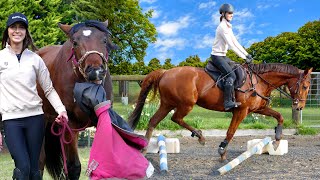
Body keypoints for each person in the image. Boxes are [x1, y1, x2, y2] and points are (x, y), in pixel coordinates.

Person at [0, 12, 69, 180]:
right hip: (11, 120)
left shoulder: (35, 59)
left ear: (26, 32)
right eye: (13, 27)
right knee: (22, 168)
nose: (17, 31)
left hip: (35, 119)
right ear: (8, 31)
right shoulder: (0, 58)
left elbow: (49, 89)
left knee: (34, 171)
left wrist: (61, 110)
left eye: (21, 28)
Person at [208, 3, 253, 111]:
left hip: (223, 56)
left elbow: (235, 42)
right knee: (231, 76)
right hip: (217, 56)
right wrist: (243, 57)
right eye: (229, 13)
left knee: (236, 68)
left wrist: (246, 54)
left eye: (232, 13)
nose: (231, 15)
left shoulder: (228, 26)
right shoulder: (222, 27)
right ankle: (227, 102)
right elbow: (232, 46)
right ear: (223, 14)